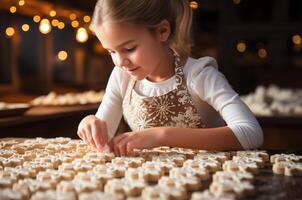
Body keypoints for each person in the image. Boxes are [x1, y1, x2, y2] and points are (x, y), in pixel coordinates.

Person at [77, 0, 263, 156]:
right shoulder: (121, 77)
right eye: (111, 51)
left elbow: (250, 133)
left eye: (129, 48)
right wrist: (91, 125)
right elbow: (103, 136)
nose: (120, 62)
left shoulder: (199, 75)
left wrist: (161, 136)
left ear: (162, 31)